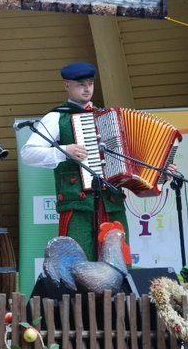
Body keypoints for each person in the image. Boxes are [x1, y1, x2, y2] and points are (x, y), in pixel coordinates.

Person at [21, 61, 130, 261]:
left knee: (118, 263)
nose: (87, 88)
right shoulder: (56, 118)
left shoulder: (107, 117)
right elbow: (28, 153)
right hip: (78, 204)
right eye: (81, 84)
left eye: (90, 83)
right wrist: (64, 151)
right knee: (78, 263)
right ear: (67, 86)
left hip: (111, 203)